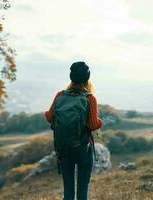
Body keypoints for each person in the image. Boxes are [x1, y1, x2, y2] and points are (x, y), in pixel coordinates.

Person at [45, 61, 103, 200]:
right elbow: (92, 125)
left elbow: (49, 116)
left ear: (71, 77)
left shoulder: (60, 95)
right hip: (82, 148)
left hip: (64, 149)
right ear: (87, 78)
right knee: (82, 191)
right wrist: (100, 122)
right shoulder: (90, 98)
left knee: (68, 193)